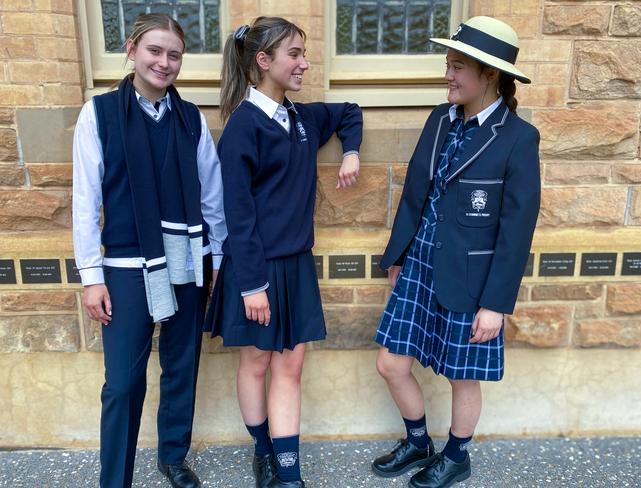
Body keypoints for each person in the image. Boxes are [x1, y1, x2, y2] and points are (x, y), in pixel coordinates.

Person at [370, 16, 541, 488]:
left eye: (458, 66)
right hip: (420, 265)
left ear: (490, 74)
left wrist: (495, 304)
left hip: (470, 278)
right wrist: (397, 256)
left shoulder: (517, 138)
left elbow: (516, 230)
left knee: (462, 376)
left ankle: (457, 456)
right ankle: (417, 440)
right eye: (448, 63)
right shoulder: (439, 119)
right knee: (390, 363)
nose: (448, 74)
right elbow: (414, 194)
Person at [203, 16, 362, 488]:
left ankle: (288, 473)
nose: (304, 63)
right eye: (294, 54)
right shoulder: (243, 128)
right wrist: (252, 285)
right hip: (256, 268)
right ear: (263, 60)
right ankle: (263, 452)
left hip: (296, 265)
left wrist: (350, 151)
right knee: (256, 362)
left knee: (291, 363)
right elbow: (238, 214)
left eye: (304, 54)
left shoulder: (301, 118)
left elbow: (349, 111)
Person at [72, 13, 226, 488]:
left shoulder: (190, 118)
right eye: (155, 51)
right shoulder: (98, 113)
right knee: (122, 382)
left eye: (174, 55)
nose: (164, 62)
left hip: (185, 260)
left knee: (181, 365)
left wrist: (216, 258)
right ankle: (114, 478)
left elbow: (211, 195)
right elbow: (86, 200)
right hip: (124, 267)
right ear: (132, 50)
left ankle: (173, 458)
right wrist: (91, 275)